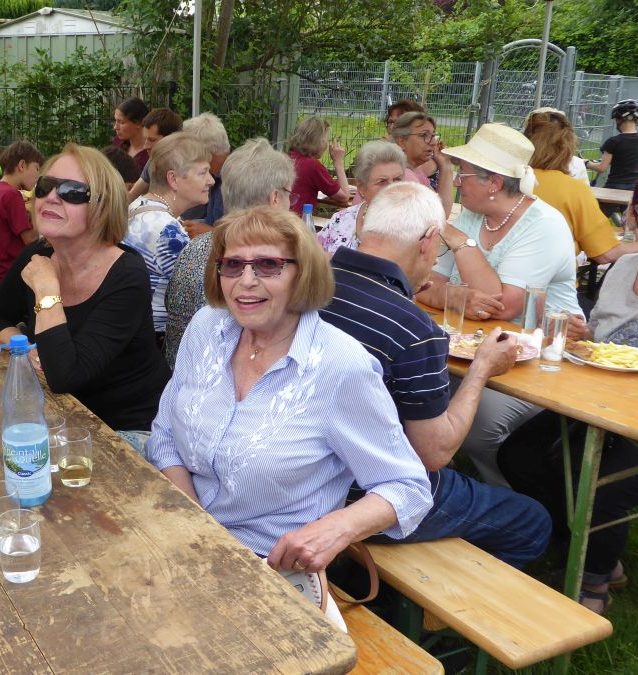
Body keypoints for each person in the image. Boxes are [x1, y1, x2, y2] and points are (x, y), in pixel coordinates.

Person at [146, 205, 431, 602]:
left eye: (268, 265)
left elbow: (408, 488)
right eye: (233, 265)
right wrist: (197, 525)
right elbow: (165, 434)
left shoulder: (341, 367)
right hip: (182, 535)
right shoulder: (208, 328)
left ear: (303, 274)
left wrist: (335, 529)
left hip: (268, 571)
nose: (246, 281)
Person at [497, 165, 638, 614]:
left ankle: (592, 585)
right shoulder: (624, 268)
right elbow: (607, 341)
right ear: (635, 220)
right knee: (518, 455)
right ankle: (583, 541)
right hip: (602, 402)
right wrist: (584, 337)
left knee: (601, 486)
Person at [320, 182, 550, 568]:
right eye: (439, 249)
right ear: (428, 241)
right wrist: (481, 369)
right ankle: (436, 602)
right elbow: (434, 454)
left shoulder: (312, 284)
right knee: (532, 520)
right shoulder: (412, 327)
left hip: (301, 476)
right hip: (368, 497)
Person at [416, 123, 583, 486]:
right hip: (471, 348)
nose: (456, 181)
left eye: (463, 173)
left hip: (541, 357)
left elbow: (504, 306)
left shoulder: (543, 225)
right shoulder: (474, 214)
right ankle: (442, 482)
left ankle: (515, 493)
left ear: (493, 183)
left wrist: (461, 244)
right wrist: (459, 296)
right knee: (415, 395)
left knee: (478, 423)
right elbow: (425, 285)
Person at [0, 144, 171, 454]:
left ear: (102, 208)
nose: (52, 197)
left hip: (129, 430)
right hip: (62, 415)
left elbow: (66, 376)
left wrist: (46, 290)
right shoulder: (38, 255)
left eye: (72, 191)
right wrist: (26, 348)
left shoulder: (126, 275)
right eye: (45, 186)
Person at [163, 138, 294, 367]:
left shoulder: (194, 247)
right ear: (275, 198)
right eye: (289, 193)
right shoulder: (270, 265)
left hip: (176, 368)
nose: (291, 202)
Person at [524, 108, 638, 265]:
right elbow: (606, 254)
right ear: (567, 147)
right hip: (551, 273)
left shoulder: (507, 178)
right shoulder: (574, 190)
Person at [123, 133, 214, 337]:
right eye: (203, 173)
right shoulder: (168, 231)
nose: (210, 181)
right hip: (157, 339)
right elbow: (201, 297)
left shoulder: (139, 205)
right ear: (173, 179)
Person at [129, 114, 231, 234]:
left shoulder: (238, 180)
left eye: (184, 149)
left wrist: (211, 233)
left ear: (200, 150)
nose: (210, 181)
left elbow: (245, 232)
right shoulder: (167, 227)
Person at [317, 140, 407, 255]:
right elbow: (313, 257)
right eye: (382, 181)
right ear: (362, 188)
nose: (391, 188)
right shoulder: (341, 219)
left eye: (397, 180)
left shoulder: (413, 225)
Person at [0, 140, 44, 287]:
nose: (38, 175)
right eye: (37, 168)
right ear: (22, 165)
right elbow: (31, 240)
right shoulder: (11, 195)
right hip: (15, 276)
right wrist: (38, 205)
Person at [390, 111, 455, 216]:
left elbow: (441, 210)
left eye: (433, 135)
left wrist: (446, 166)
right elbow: (439, 215)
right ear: (401, 142)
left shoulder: (414, 170)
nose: (433, 142)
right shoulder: (402, 176)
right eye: (424, 135)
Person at [285, 117, 350, 213]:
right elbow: (344, 196)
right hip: (298, 220)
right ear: (319, 142)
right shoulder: (313, 166)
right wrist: (338, 162)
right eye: (326, 140)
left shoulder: (286, 158)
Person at [585, 99, 638, 190]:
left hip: (615, 185)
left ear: (619, 119)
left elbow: (602, 168)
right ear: (636, 120)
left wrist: (586, 163)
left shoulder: (613, 141)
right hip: (636, 186)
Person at [113, 97, 151, 171]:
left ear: (139, 123)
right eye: (116, 121)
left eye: (121, 122)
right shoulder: (118, 143)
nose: (115, 127)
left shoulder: (150, 153)